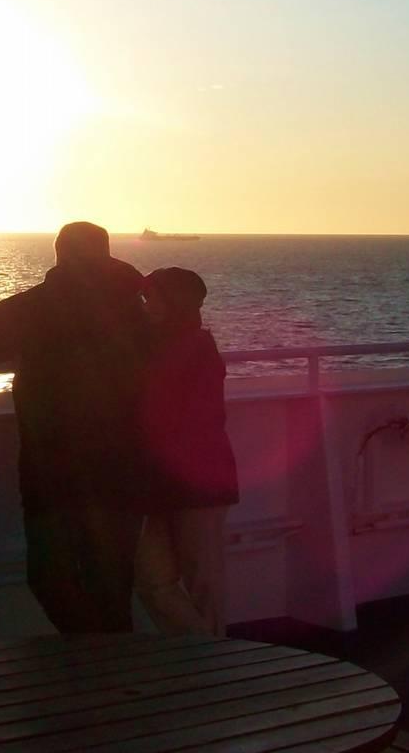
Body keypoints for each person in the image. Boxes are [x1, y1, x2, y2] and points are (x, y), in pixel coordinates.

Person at [0, 221, 148, 634]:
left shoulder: (36, 307)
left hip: (54, 469)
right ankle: (112, 673)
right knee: (112, 584)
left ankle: (88, 660)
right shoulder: (137, 308)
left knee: (49, 577)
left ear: (60, 253)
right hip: (125, 468)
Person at [134, 267, 238, 637]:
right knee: (152, 581)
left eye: (151, 297)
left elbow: (177, 414)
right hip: (162, 482)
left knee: (201, 582)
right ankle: (204, 653)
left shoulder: (191, 349)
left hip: (198, 482)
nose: (144, 305)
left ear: (173, 302)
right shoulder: (161, 345)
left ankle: (209, 665)